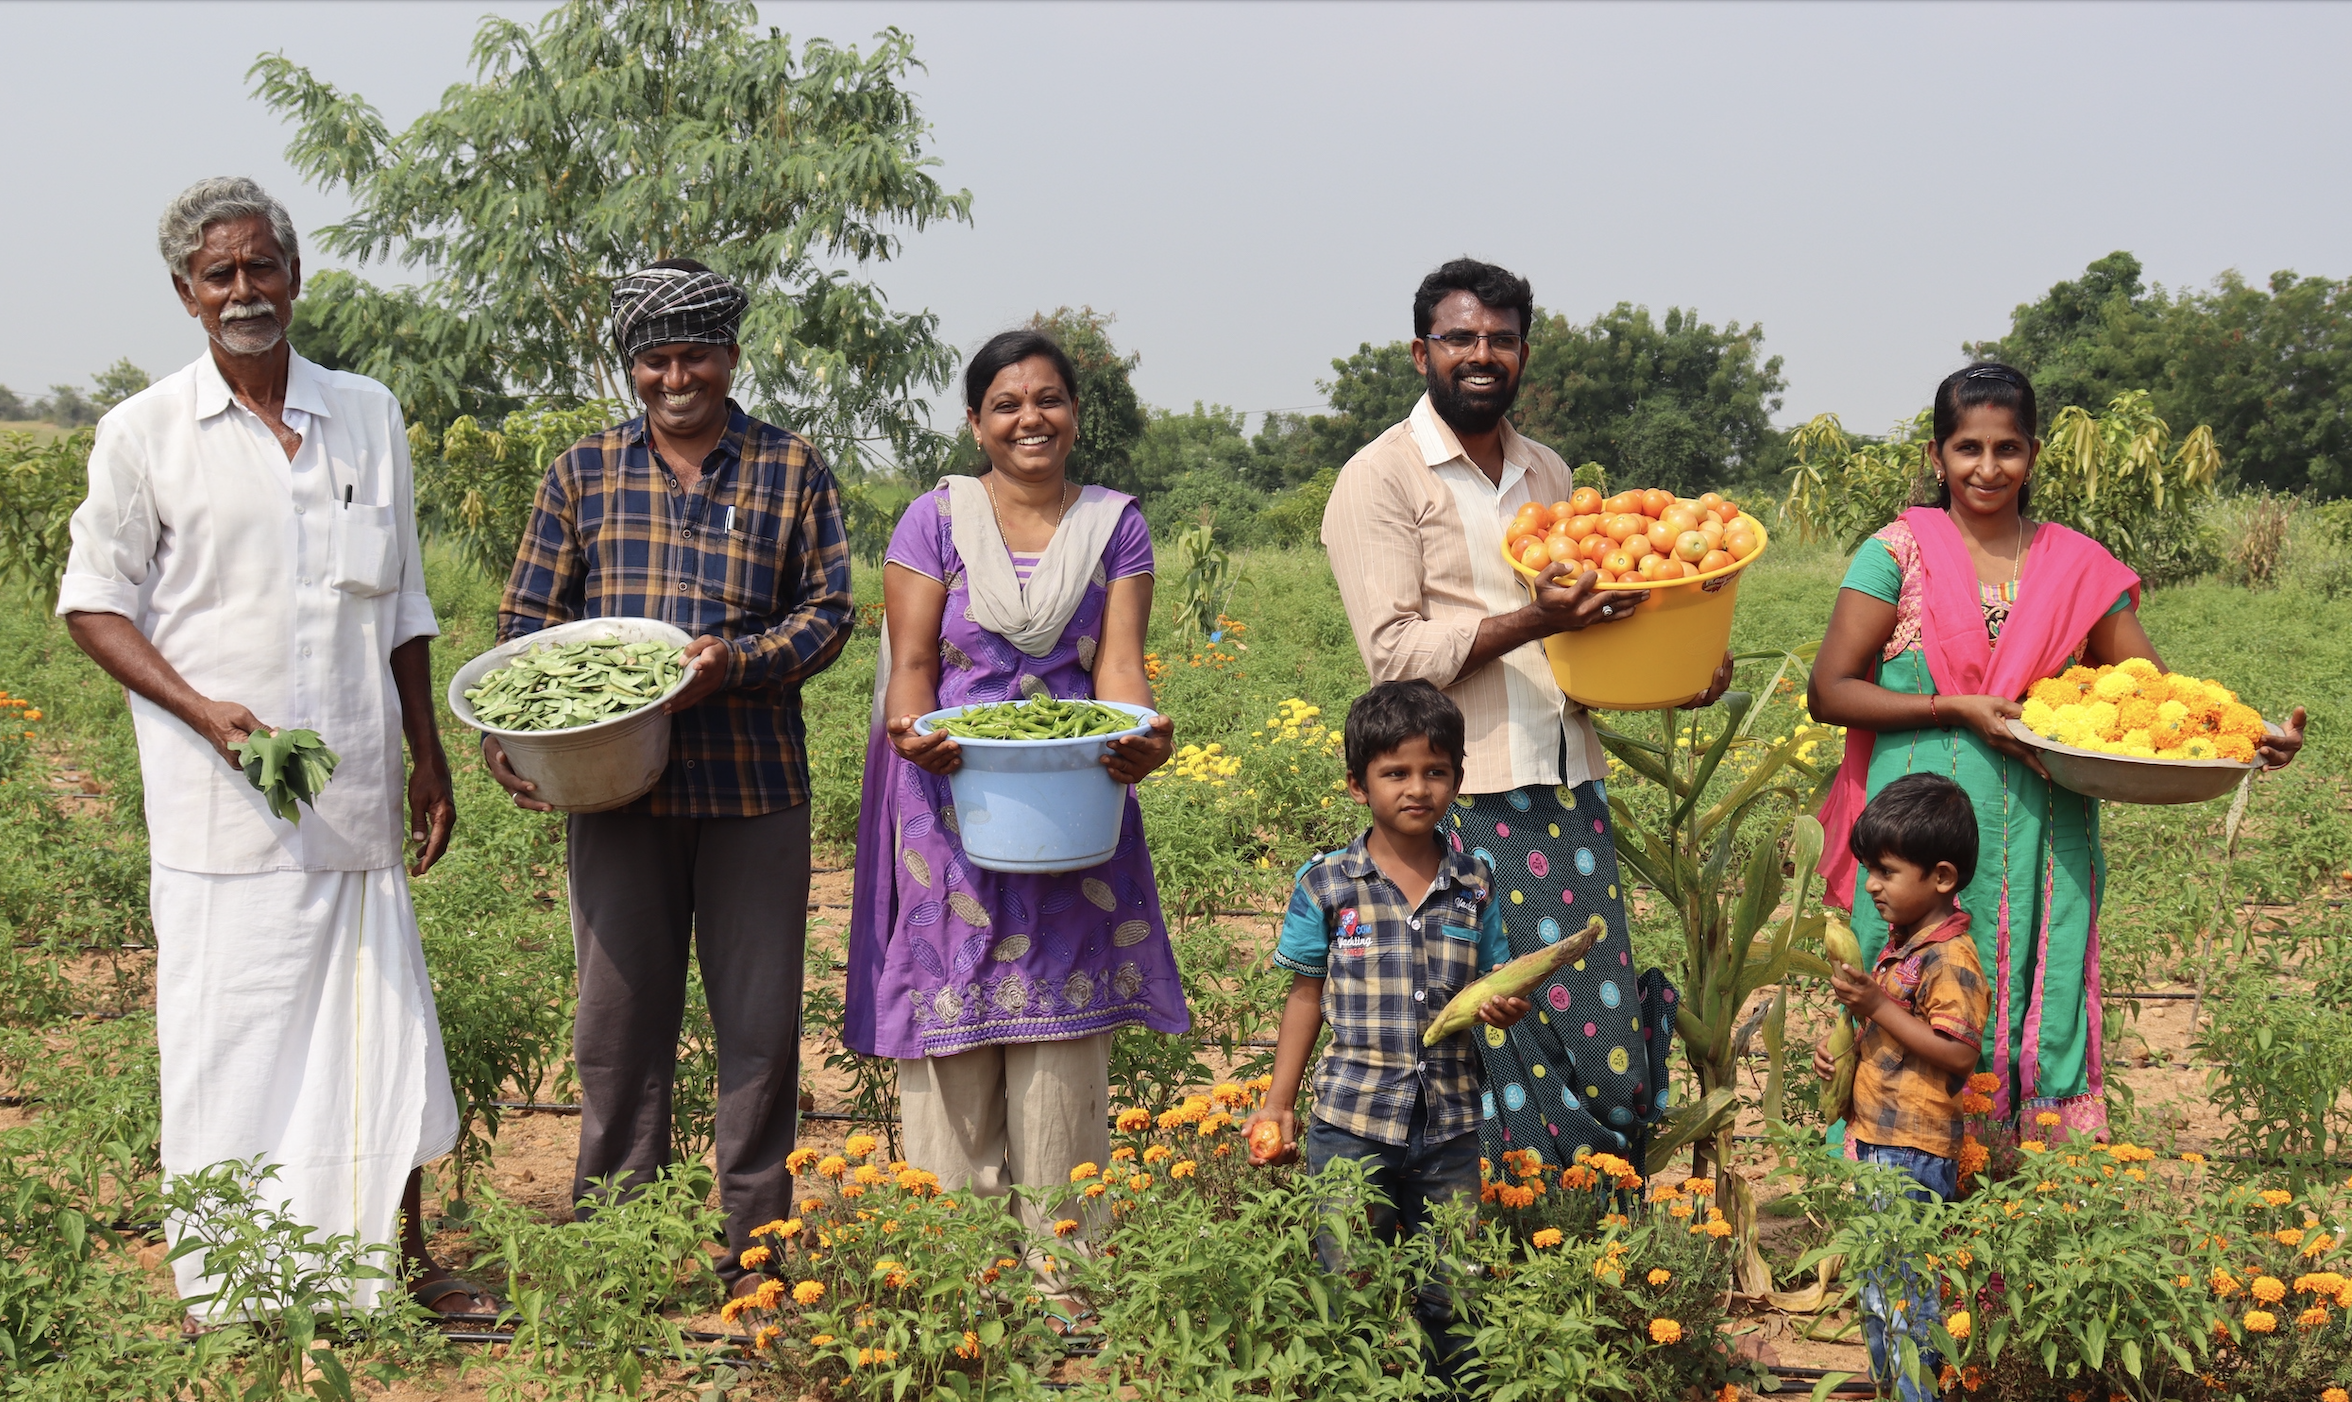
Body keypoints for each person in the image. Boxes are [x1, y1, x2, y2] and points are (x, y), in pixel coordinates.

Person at [58, 176, 474, 1316]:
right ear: (185, 295)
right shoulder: (144, 433)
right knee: (230, 1040)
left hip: (351, 793)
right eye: (220, 274)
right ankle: (238, 1285)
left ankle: (390, 1264)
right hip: (218, 807)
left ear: (295, 275)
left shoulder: (366, 411)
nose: (246, 291)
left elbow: (403, 603)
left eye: (262, 267)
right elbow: (94, 602)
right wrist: (203, 711)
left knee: (377, 1029)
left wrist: (423, 751)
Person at [1807, 363, 2306, 1140]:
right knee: (1907, 989)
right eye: (1966, 447)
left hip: (2043, 836)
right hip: (1914, 835)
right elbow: (1829, 690)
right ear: (1936, 457)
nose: (1986, 467)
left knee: (2028, 989)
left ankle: (2016, 1181)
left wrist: (2255, 736)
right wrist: (1954, 708)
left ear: (2033, 455)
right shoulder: (1895, 554)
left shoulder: (2077, 567)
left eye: (2006, 448)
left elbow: (2164, 696)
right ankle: (1893, 1185)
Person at [485, 258, 853, 1297]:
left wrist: (737, 662)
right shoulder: (582, 473)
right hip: (614, 791)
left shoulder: (791, 468)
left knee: (759, 1031)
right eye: (655, 358)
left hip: (753, 788)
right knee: (617, 1029)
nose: (675, 375)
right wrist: (510, 736)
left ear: (731, 356)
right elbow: (525, 628)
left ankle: (756, 1251)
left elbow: (828, 613)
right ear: (632, 368)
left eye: (694, 353)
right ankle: (618, 1247)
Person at [1321, 257, 1729, 1170]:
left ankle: (1581, 1231)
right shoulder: (1381, 478)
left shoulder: (1548, 471)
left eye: (1501, 340)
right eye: (1461, 338)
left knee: (1594, 1020)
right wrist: (1534, 618)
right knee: (1492, 1027)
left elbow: (1578, 653)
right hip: (1465, 796)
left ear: (1523, 354)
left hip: (1567, 780)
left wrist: (1675, 668)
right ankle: (1496, 1243)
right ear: (1421, 351)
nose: (1481, 355)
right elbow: (1393, 653)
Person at [845, 329, 1184, 1238]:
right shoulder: (935, 519)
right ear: (975, 422)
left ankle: (1065, 1272)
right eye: (1007, 404)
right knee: (951, 1021)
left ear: (1074, 413)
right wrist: (913, 732)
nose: (1029, 418)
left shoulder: (1114, 523)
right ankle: (958, 1279)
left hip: (1075, 793)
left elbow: (1119, 667)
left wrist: (1140, 733)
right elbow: (913, 666)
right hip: (950, 796)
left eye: (1048, 400)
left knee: (1063, 1041)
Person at [1243, 680, 1528, 1377]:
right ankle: (1351, 1387)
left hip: (1451, 1124)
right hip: (1351, 1119)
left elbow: (1495, 981)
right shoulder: (1327, 885)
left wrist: (1502, 1005)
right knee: (1347, 1281)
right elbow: (1305, 996)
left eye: (1436, 772)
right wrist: (1278, 1103)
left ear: (1458, 780)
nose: (1417, 788)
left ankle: (1454, 1389)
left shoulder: (1475, 883)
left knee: (1453, 1286)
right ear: (1357, 784)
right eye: (1395, 773)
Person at [1810, 773, 1988, 1402]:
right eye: (1867, 869)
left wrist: (1878, 1008)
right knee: (1877, 1290)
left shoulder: (1951, 959)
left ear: (1941, 877)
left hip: (1911, 1151)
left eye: (1886, 871)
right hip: (1879, 1141)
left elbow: (1958, 1053)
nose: (1872, 885)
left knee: (1904, 1296)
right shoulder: (1903, 948)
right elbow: (1894, 1044)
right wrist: (1845, 1059)